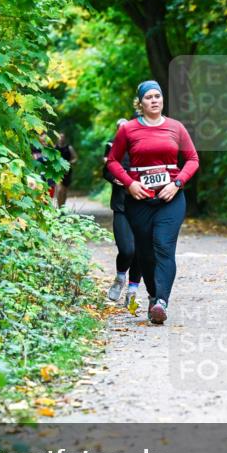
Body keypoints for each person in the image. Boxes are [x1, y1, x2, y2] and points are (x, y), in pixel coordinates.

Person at [106, 81, 199, 325]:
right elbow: (113, 162)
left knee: (164, 247)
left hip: (170, 198)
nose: (154, 100)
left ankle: (161, 302)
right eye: (149, 97)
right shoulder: (128, 129)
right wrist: (129, 183)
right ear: (140, 103)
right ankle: (152, 295)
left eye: (158, 96)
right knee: (145, 254)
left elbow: (192, 159)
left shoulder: (175, 127)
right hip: (140, 200)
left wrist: (176, 183)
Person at [103, 118, 144, 312]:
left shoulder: (146, 149)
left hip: (145, 207)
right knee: (127, 250)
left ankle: (132, 292)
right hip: (121, 207)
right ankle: (120, 278)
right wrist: (117, 179)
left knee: (140, 253)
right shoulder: (116, 150)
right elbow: (107, 171)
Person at [55, 131, 78, 208]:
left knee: (64, 191)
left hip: (67, 171)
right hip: (57, 171)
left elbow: (75, 158)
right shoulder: (55, 148)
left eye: (62, 137)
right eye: (60, 137)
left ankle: (62, 208)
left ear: (64, 138)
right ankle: (59, 208)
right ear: (57, 138)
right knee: (59, 190)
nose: (61, 139)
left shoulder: (69, 147)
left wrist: (69, 162)